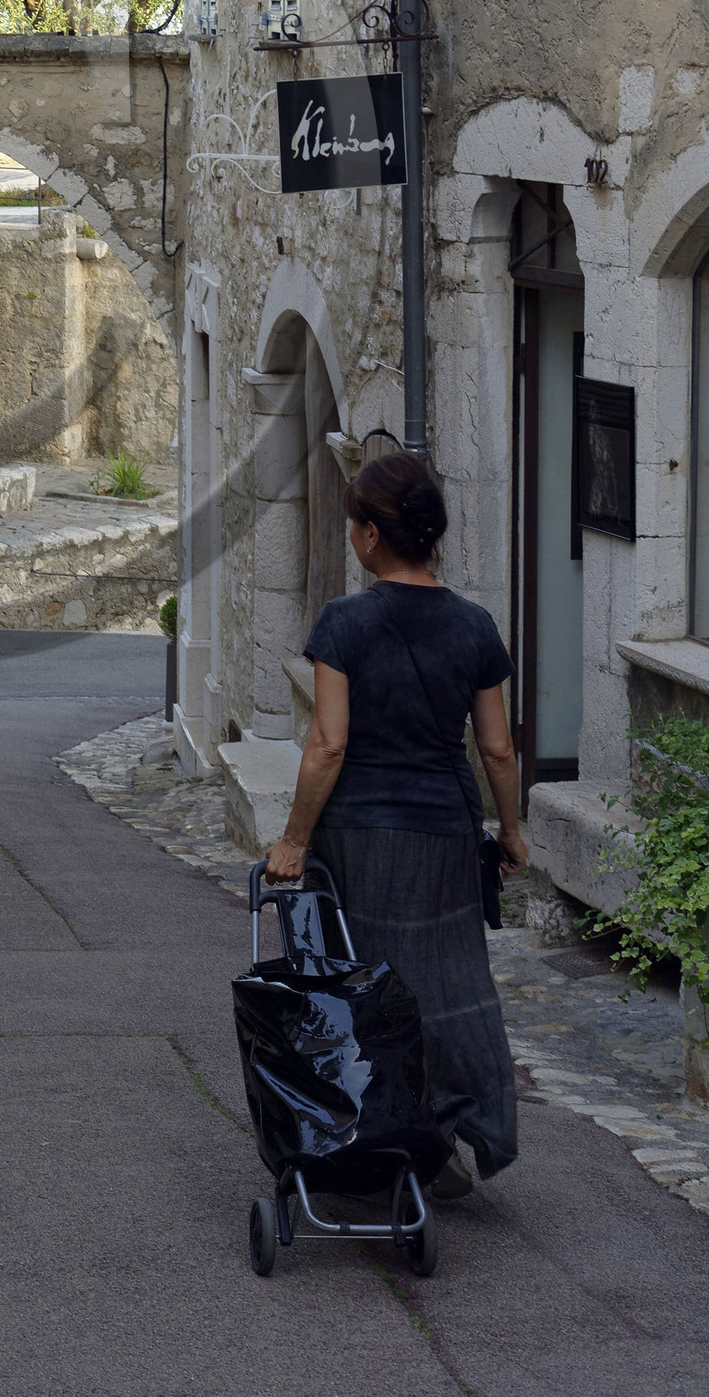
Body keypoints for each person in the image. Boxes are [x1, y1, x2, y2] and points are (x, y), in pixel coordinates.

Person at [265, 451, 527, 1195]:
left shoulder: (346, 623)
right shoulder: (474, 626)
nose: (352, 536)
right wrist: (510, 833)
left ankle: (380, 1140)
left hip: (359, 838)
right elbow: (498, 749)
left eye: (354, 525)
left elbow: (328, 744)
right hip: (445, 832)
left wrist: (292, 840)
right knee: (446, 983)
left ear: (372, 536)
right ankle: (443, 1136)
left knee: (366, 989)